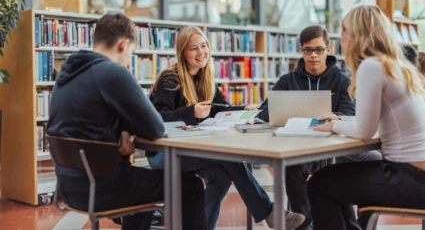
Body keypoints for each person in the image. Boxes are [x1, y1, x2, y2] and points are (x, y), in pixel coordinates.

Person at [46, 14, 206, 230]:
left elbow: (94, 115)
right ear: (123, 45)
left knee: (141, 187)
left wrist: (123, 128)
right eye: (132, 52)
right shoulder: (112, 72)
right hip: (103, 188)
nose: (130, 58)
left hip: (68, 186)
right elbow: (155, 128)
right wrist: (128, 128)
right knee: (192, 185)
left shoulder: (67, 73)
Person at [148, 26, 305, 230]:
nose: (201, 52)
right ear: (182, 53)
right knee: (228, 157)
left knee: (220, 177)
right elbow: (157, 118)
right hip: (164, 153)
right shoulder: (170, 79)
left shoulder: (206, 79)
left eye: (203, 46)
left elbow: (221, 109)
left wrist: (245, 109)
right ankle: (268, 212)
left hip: (189, 149)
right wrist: (191, 112)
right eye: (193, 48)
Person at [309, 5, 425, 230]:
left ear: (355, 34)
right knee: (331, 178)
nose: (341, 38)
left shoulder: (372, 67)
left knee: (319, 184)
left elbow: (365, 132)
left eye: (343, 32)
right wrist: (342, 121)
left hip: (410, 178)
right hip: (417, 172)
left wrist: (333, 126)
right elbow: (378, 124)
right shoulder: (397, 66)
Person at [257, 25, 381, 230]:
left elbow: (350, 114)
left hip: (337, 148)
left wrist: (337, 118)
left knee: (374, 161)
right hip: (302, 149)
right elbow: (263, 112)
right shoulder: (287, 81)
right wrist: (283, 115)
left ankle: (358, 225)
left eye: (319, 49)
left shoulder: (342, 80)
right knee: (292, 167)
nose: (313, 55)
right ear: (301, 50)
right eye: (308, 50)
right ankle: (303, 224)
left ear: (328, 49)